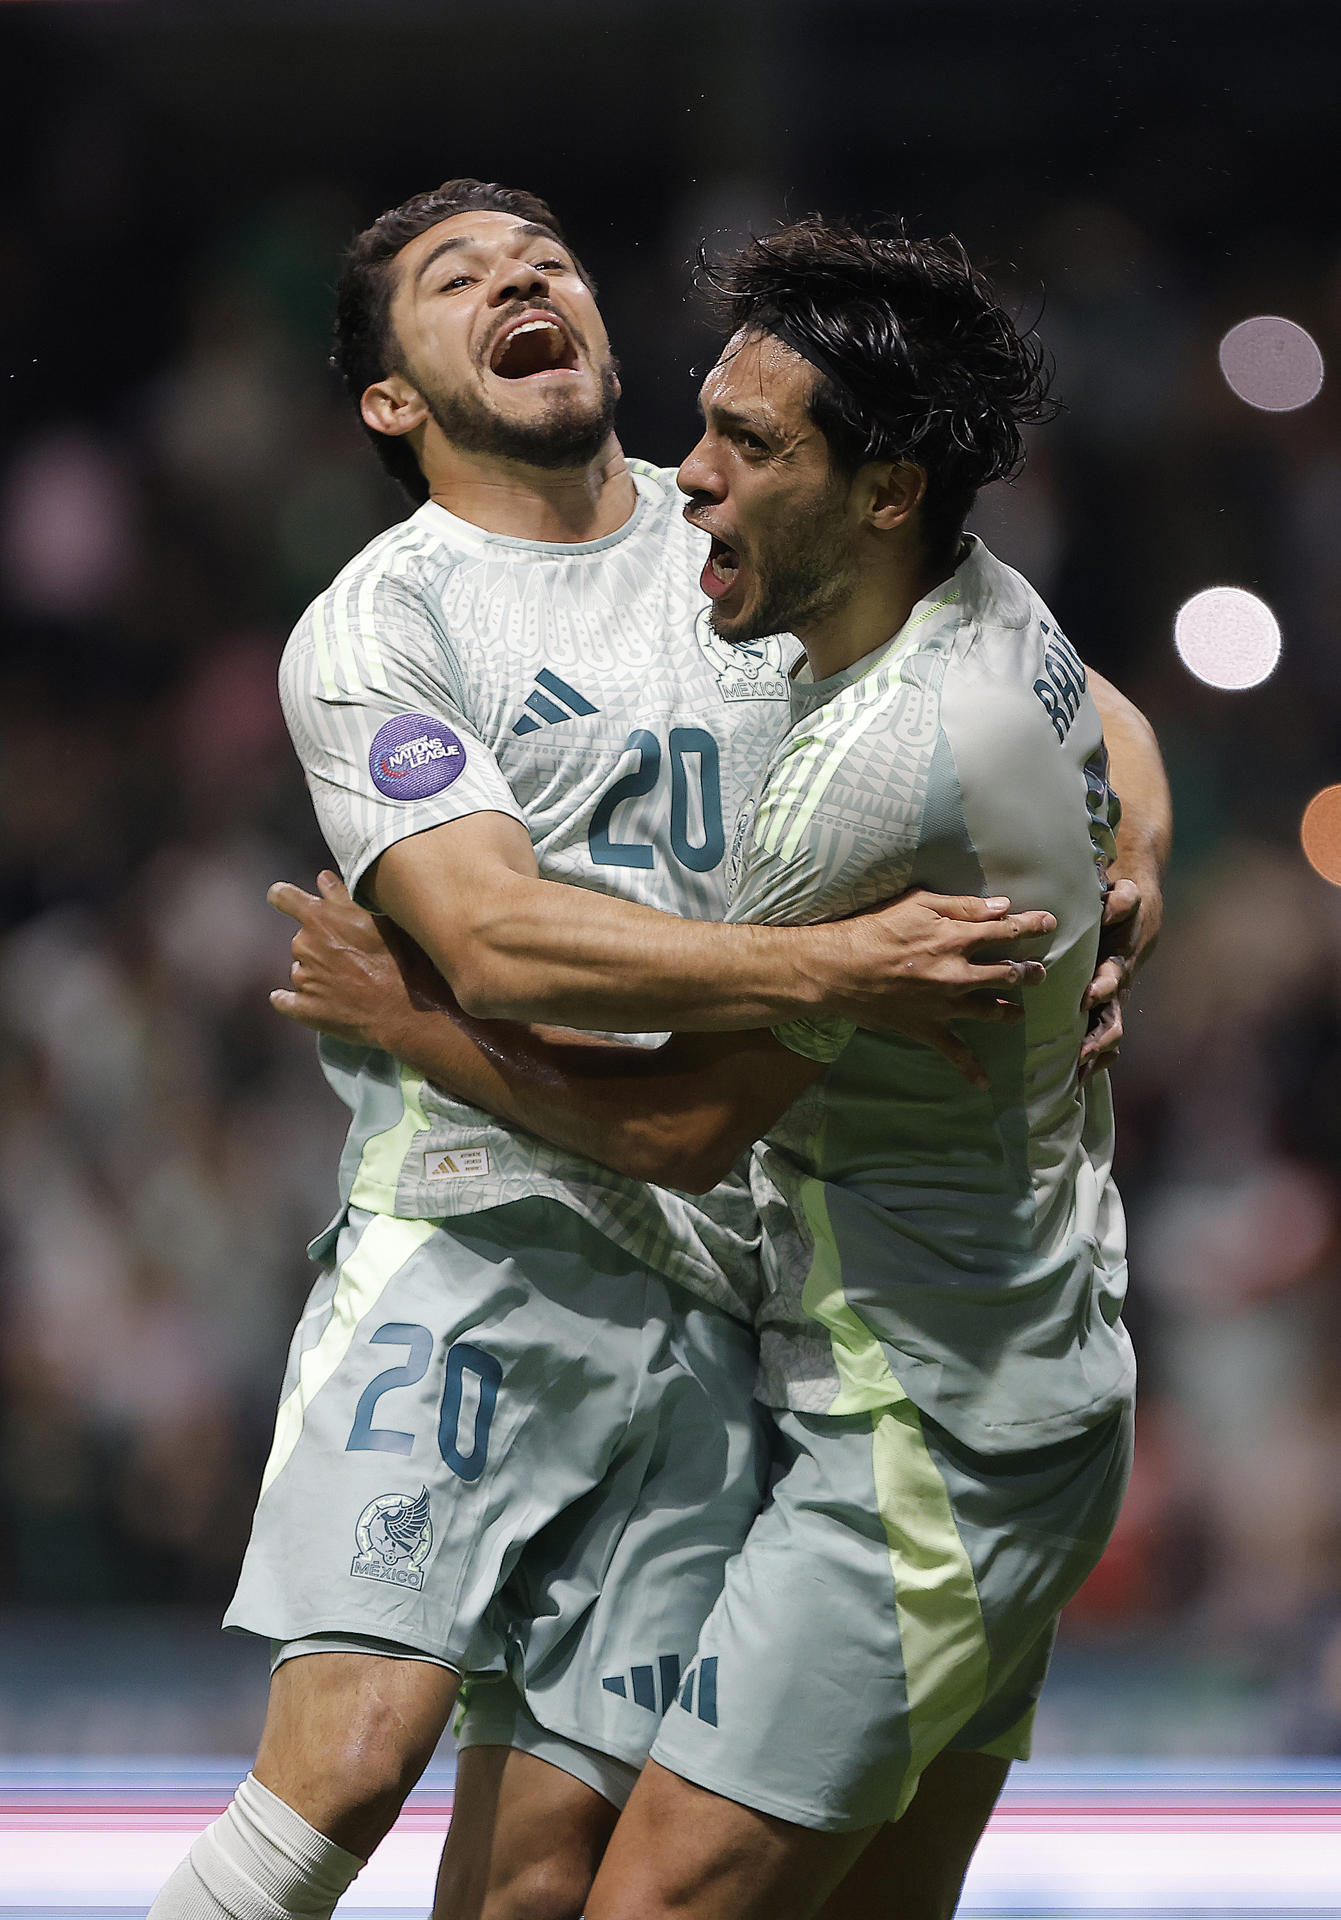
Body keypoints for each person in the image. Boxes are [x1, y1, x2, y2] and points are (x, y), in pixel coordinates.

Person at [147, 178, 1097, 1920]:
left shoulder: (741, 519)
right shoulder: (387, 621)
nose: (519, 278)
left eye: (546, 259)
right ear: (386, 395)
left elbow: (1069, 697)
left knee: (544, 1880)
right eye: (458, 278)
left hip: (723, 1277)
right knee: (352, 1758)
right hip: (481, 1225)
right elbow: (494, 936)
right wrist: (824, 965)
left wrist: (1127, 892)